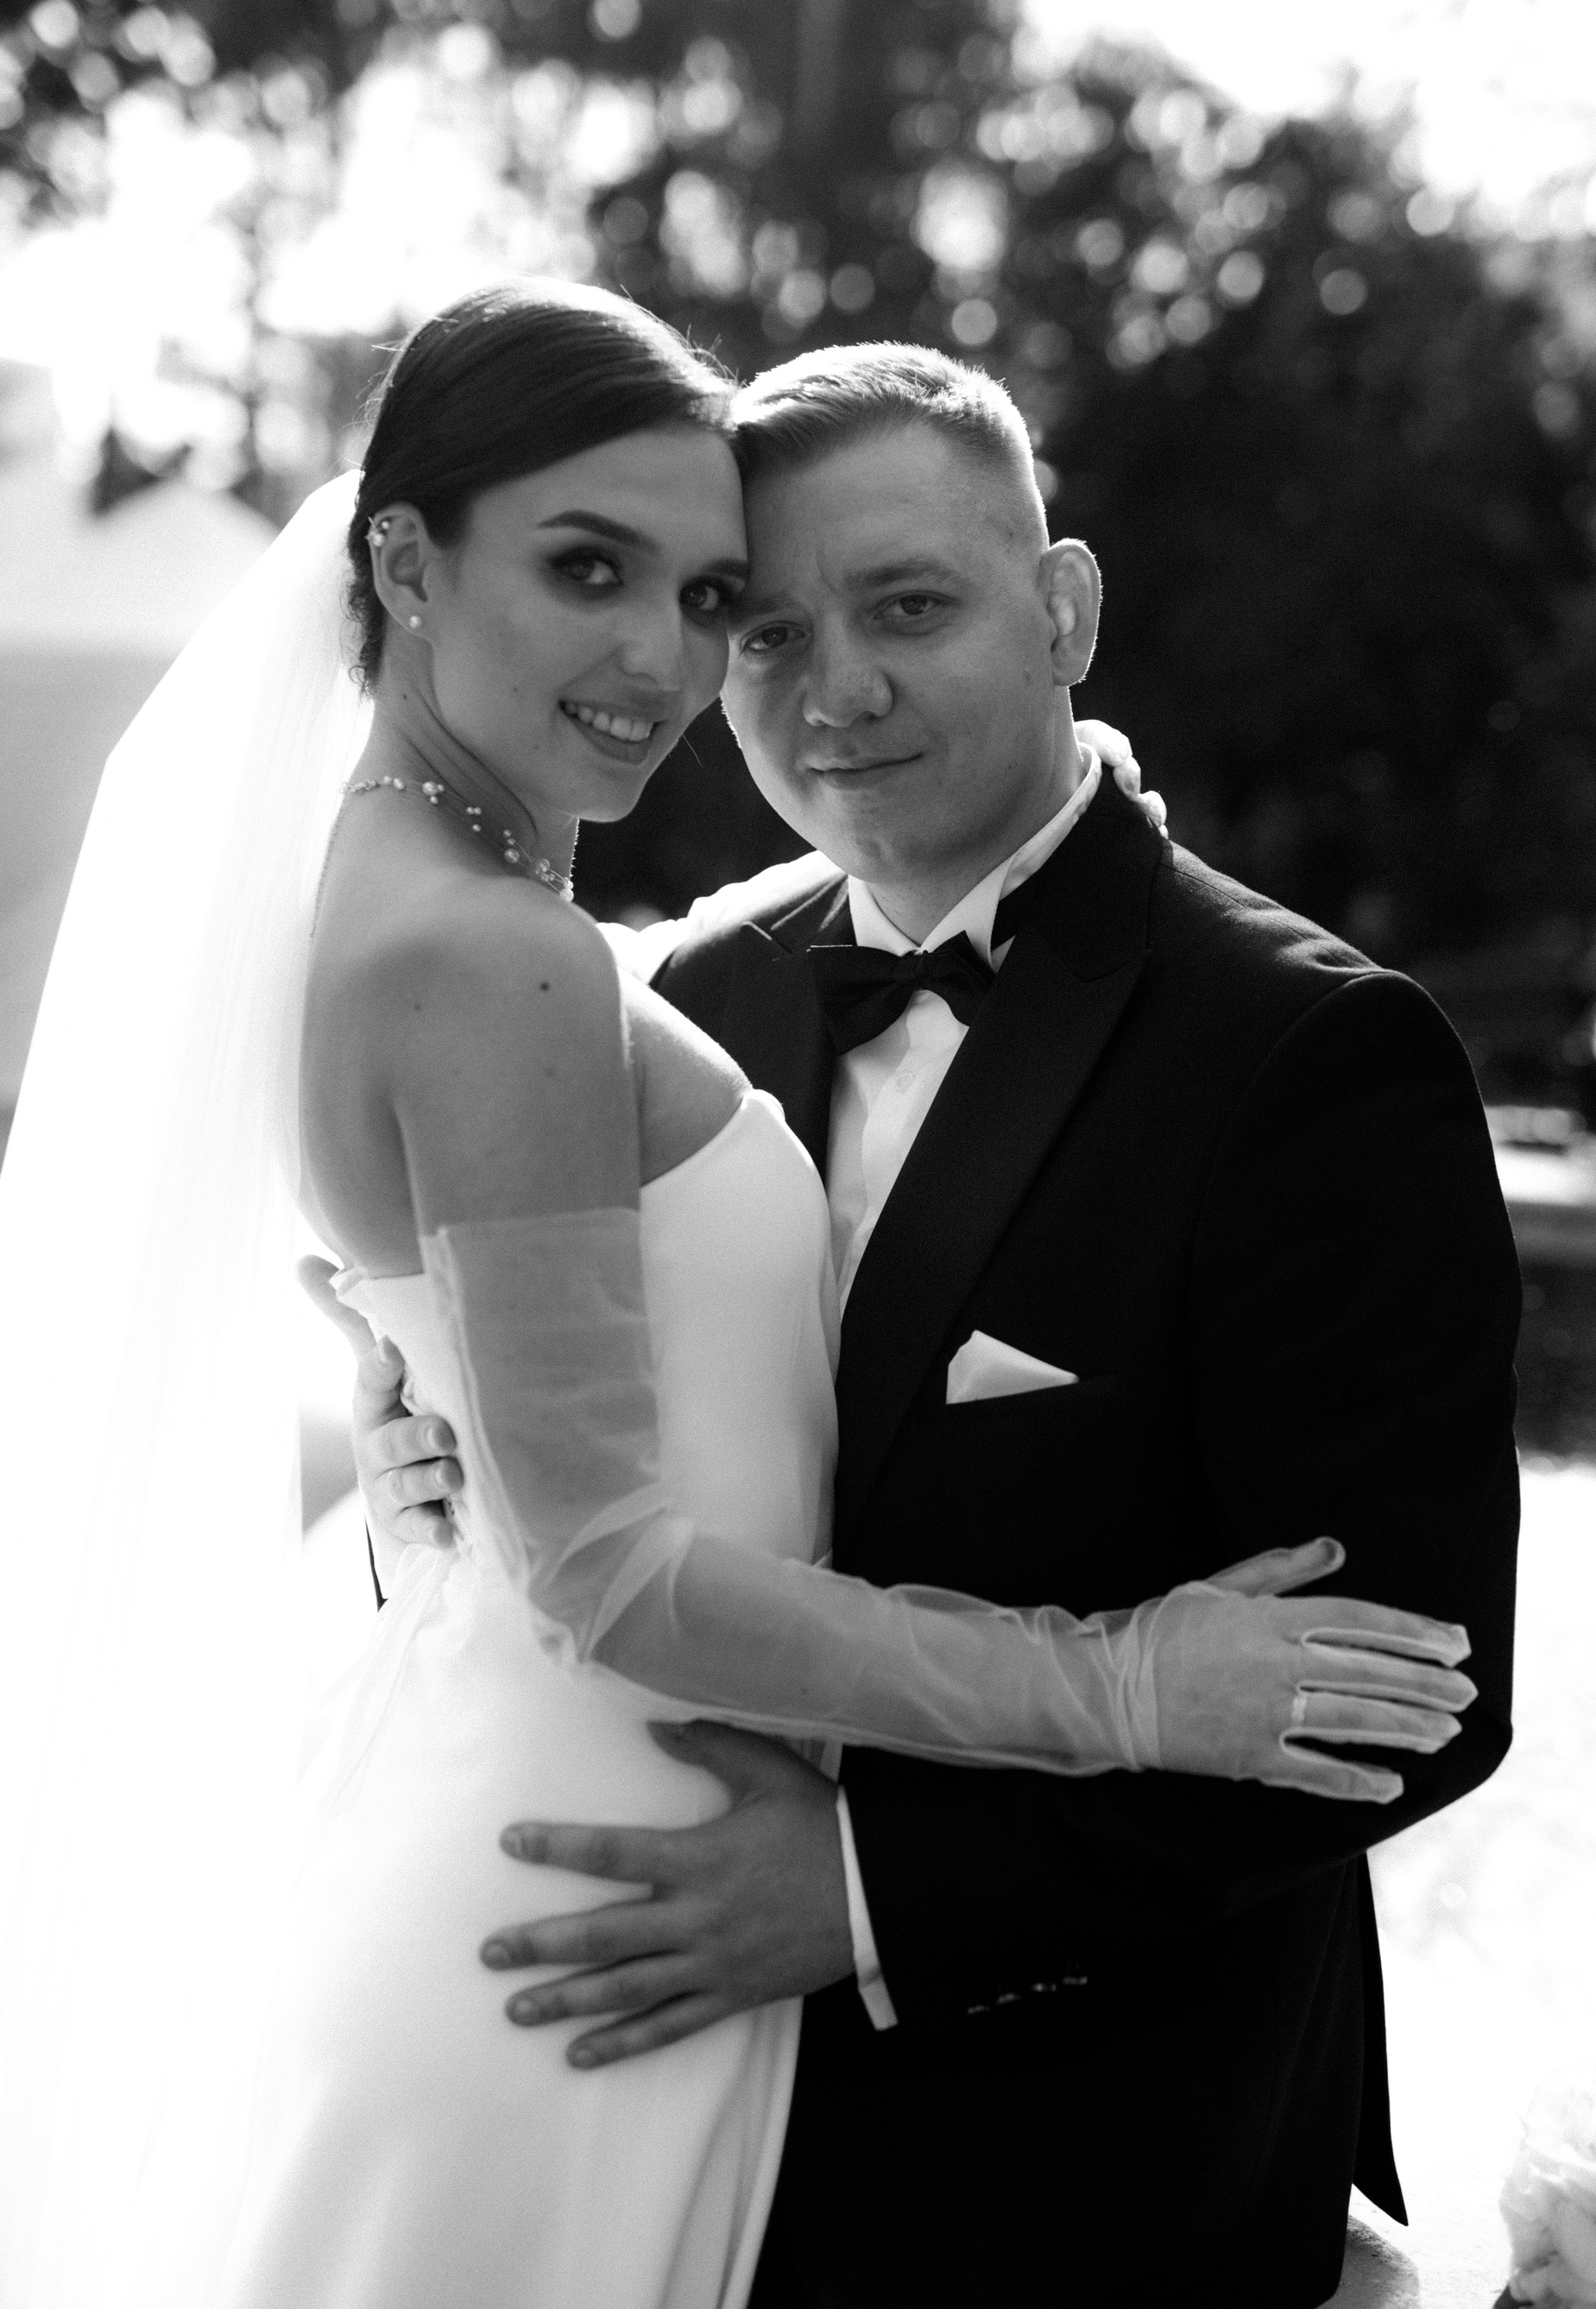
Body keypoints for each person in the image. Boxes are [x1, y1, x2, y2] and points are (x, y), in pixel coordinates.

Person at [0, 286, 1478, 2309]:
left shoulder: (1300, 1053)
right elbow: (593, 1523)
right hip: (588, 1952)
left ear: (1064, 608)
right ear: (407, 566)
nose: (780, 678)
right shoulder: (608, 973)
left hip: (1058, 2135)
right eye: (753, 622)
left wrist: (874, 1891)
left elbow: (1408, 1686)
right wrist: (415, 1426)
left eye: (896, 607)